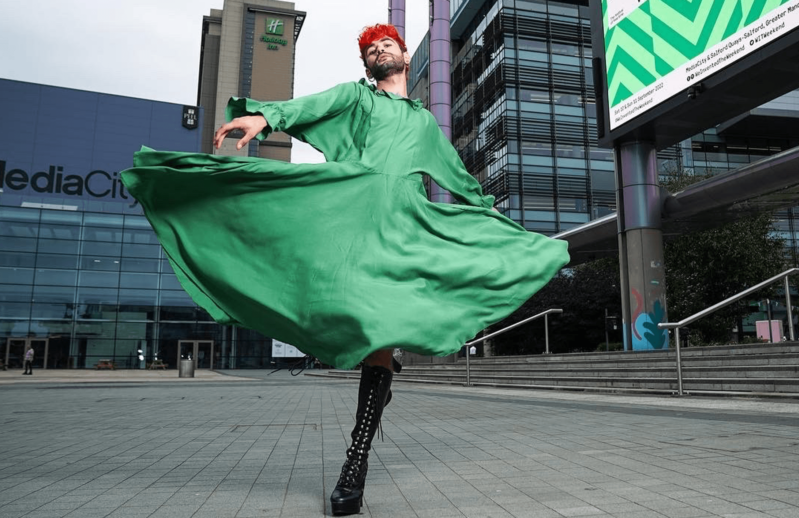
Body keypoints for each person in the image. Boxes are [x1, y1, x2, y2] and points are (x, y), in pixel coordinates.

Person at [121, 23, 568, 516]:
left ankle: (354, 464)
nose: (379, 50)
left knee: (380, 333)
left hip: (404, 228)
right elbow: (308, 107)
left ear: (403, 55)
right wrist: (263, 119)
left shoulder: (424, 124)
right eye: (371, 49)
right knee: (355, 318)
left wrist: (495, 220)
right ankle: (374, 385)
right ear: (368, 64)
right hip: (353, 216)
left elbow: (459, 177)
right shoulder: (357, 99)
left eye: (387, 45)